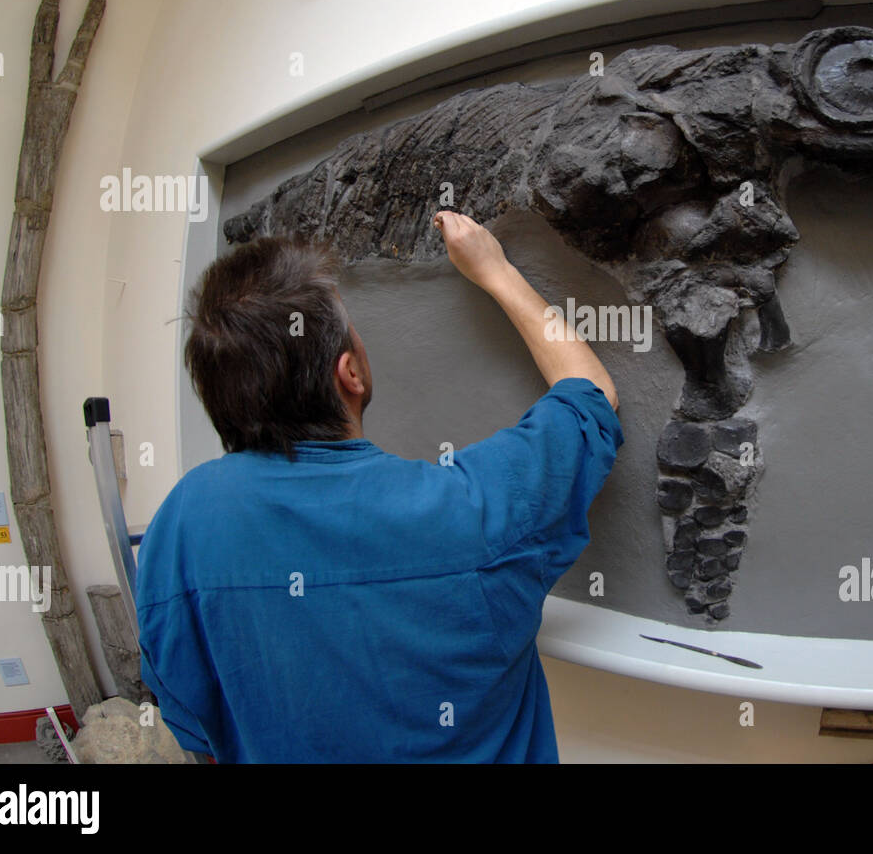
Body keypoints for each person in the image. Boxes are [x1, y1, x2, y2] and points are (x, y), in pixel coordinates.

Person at [136, 211, 622, 763]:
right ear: (351, 373)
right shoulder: (468, 515)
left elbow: (195, 724)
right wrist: (498, 273)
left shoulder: (178, 524)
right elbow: (591, 398)